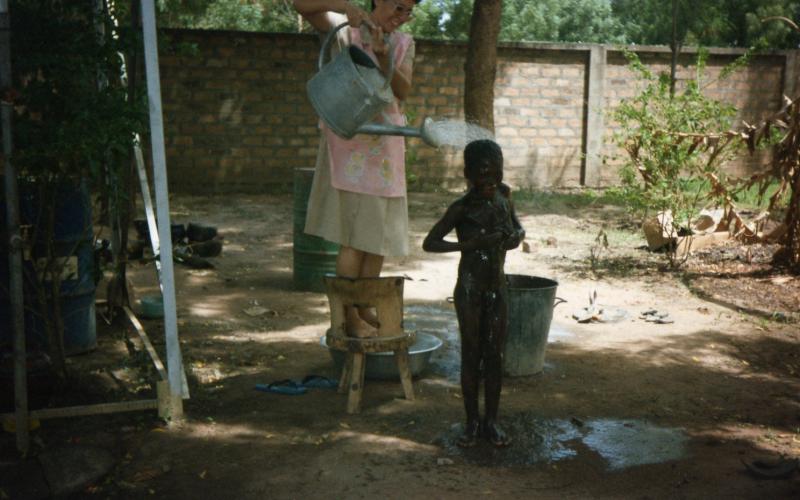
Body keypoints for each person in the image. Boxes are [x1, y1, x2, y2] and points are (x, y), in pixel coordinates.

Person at [293, 0, 421, 338]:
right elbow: (301, 5)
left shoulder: (403, 43)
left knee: (376, 238)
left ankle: (364, 304)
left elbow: (403, 90)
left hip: (387, 145)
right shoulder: (344, 29)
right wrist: (346, 5)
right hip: (353, 146)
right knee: (353, 238)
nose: (401, 16)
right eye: (397, 6)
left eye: (408, 11)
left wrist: (382, 56)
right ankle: (347, 316)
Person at [422, 140, 525, 447]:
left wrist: (514, 237)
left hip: (497, 287)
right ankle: (471, 423)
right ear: (467, 174)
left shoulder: (505, 197)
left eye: (495, 172)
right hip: (470, 289)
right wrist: (469, 246)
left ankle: (491, 422)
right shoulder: (461, 208)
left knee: (495, 355)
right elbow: (430, 242)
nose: (490, 180)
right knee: (471, 354)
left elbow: (518, 228)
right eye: (482, 174)